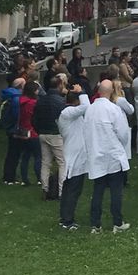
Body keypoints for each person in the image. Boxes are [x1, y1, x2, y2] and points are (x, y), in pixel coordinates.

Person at [85, 80, 131, 233]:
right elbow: (123, 133)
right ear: (111, 91)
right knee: (116, 191)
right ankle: (117, 222)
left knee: (98, 190)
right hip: (112, 154)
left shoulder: (90, 110)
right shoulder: (113, 109)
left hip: (97, 154)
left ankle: (95, 224)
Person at [57, 85, 90, 231]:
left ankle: (66, 217)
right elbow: (86, 107)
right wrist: (82, 92)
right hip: (73, 158)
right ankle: (67, 220)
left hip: (78, 157)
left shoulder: (73, 115)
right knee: (72, 190)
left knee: (72, 190)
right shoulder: (68, 112)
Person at [34, 75, 68, 200]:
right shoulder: (60, 101)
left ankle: (45, 188)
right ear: (60, 85)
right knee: (62, 163)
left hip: (42, 134)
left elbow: (34, 119)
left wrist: (39, 130)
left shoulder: (41, 100)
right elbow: (64, 119)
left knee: (46, 162)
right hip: (55, 134)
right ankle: (61, 192)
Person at [16, 81, 42, 186]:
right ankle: (39, 177)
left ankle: (24, 178)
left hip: (23, 131)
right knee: (38, 156)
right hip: (33, 131)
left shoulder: (21, 101)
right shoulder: (33, 103)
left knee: (25, 156)